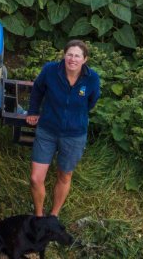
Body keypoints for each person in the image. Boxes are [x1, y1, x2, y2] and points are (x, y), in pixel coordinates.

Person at [26, 40, 100, 217]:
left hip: (74, 135)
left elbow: (92, 101)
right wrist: (33, 111)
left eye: (77, 56)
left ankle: (54, 215)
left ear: (84, 59)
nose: (72, 59)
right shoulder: (50, 70)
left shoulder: (92, 78)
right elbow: (37, 90)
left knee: (64, 176)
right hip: (47, 130)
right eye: (70, 54)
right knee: (36, 178)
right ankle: (39, 216)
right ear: (64, 55)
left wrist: (74, 117)